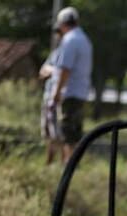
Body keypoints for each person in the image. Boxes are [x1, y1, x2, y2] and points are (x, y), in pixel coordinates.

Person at [40, 7, 92, 163]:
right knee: (74, 133)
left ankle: (69, 168)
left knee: (66, 133)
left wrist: (56, 93)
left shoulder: (70, 40)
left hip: (69, 93)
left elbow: (65, 70)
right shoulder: (84, 40)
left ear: (63, 24)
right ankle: (72, 167)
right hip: (80, 92)